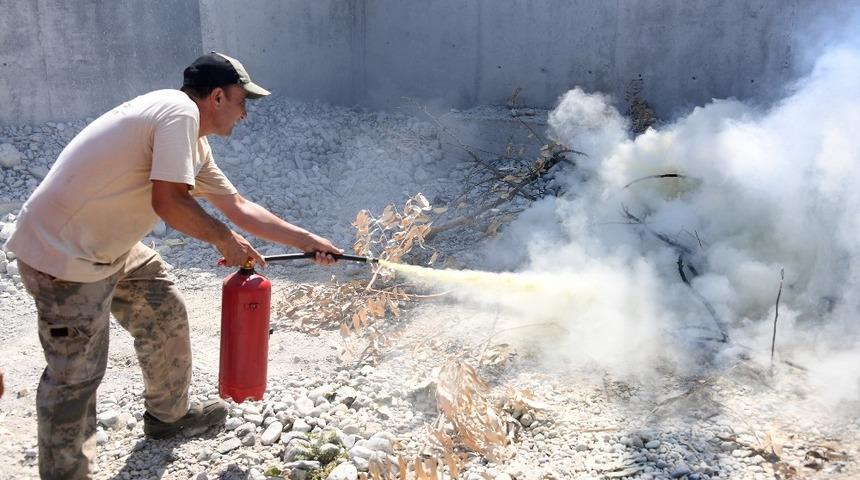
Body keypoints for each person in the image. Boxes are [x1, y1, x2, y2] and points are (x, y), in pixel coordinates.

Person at [4, 52, 342, 479]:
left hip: (108, 244)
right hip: (63, 254)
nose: (246, 113)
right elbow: (168, 203)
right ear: (217, 96)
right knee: (75, 377)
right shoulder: (179, 114)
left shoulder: (192, 139)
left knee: (161, 306)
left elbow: (236, 206)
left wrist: (308, 242)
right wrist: (222, 238)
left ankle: (168, 416)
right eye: (242, 101)